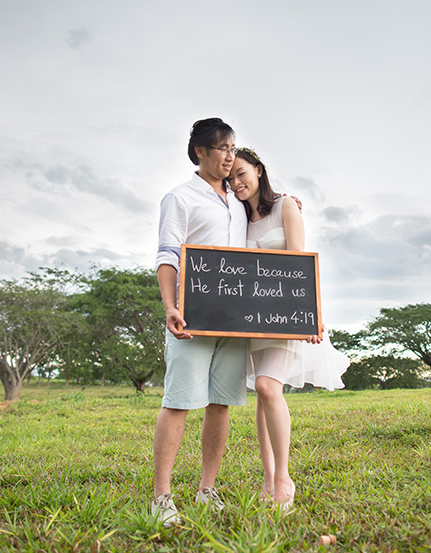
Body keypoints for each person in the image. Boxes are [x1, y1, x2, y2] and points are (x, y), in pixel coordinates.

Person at [227, 147, 349, 508]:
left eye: (242, 173)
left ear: (259, 171)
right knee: (264, 396)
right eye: (230, 177)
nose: (236, 183)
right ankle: (267, 481)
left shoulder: (286, 207)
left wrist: (311, 314)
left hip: (285, 314)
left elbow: (301, 262)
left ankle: (284, 478)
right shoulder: (236, 217)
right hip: (253, 319)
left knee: (267, 386)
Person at [151, 118, 248, 526]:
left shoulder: (240, 200)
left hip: (236, 319)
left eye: (232, 148)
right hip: (193, 315)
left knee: (220, 402)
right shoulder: (180, 197)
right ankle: (161, 497)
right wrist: (170, 305)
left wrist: (289, 202)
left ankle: (207, 489)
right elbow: (168, 254)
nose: (229, 156)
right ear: (200, 152)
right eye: (221, 148)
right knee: (178, 402)